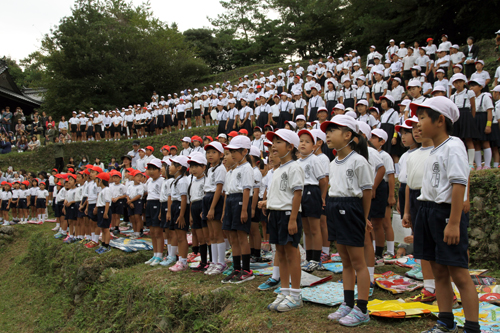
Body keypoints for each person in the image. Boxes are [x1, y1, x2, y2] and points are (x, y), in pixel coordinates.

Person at [409, 97, 480, 333]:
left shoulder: (454, 145)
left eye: (422, 118)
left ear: (440, 120)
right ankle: (445, 322)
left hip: (445, 214)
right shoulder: (434, 149)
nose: (417, 124)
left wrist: (454, 222)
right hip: (428, 211)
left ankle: (471, 327)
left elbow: (459, 184)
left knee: (458, 272)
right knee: (438, 271)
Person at [321, 116, 372, 326]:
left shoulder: (358, 161)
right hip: (335, 206)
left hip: (351, 209)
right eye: (327, 131)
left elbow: (367, 191)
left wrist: (364, 217)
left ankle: (362, 308)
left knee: (358, 261)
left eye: (333, 130)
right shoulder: (333, 162)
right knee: (345, 260)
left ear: (348, 135)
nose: (328, 135)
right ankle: (348, 302)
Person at [221, 136, 254, 284]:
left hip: (241, 200)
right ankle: (236, 267)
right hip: (231, 201)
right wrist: (224, 212)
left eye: (236, 151)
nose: (232, 154)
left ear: (245, 151)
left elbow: (246, 189)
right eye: (231, 151)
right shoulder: (232, 170)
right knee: (232, 237)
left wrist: (244, 210)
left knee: (241, 236)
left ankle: (246, 270)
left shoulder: (247, 168)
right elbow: (227, 192)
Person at [202, 141, 227, 275]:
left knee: (217, 233)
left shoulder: (220, 169)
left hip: (214, 199)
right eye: (208, 152)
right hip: (207, 198)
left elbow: (219, 189)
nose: (210, 155)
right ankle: (214, 261)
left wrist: (212, 208)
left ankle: (221, 262)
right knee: (211, 234)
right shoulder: (210, 169)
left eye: (213, 152)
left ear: (221, 154)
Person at [166, 156, 190, 271]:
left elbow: (184, 198)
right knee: (177, 234)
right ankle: (180, 259)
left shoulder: (183, 181)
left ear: (179, 167)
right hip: (175, 206)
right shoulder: (176, 180)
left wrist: (181, 215)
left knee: (181, 236)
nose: (169, 167)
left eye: (172, 165)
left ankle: (183, 261)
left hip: (181, 206)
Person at [187, 153, 209, 271]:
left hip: (202, 206)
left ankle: (210, 260)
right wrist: (191, 214)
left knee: (207, 236)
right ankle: (203, 261)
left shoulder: (206, 180)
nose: (193, 169)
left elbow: (205, 196)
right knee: (200, 237)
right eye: (192, 167)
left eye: (196, 166)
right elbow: (191, 198)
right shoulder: (193, 181)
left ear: (204, 167)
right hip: (194, 207)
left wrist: (204, 210)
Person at [144, 158, 166, 266]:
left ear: (159, 170)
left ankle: (160, 255)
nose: (151, 171)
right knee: (152, 232)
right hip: (149, 204)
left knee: (158, 232)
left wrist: (161, 210)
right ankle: (155, 253)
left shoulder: (162, 181)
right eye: (149, 169)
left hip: (157, 205)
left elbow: (162, 196)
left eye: (154, 169)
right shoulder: (149, 181)